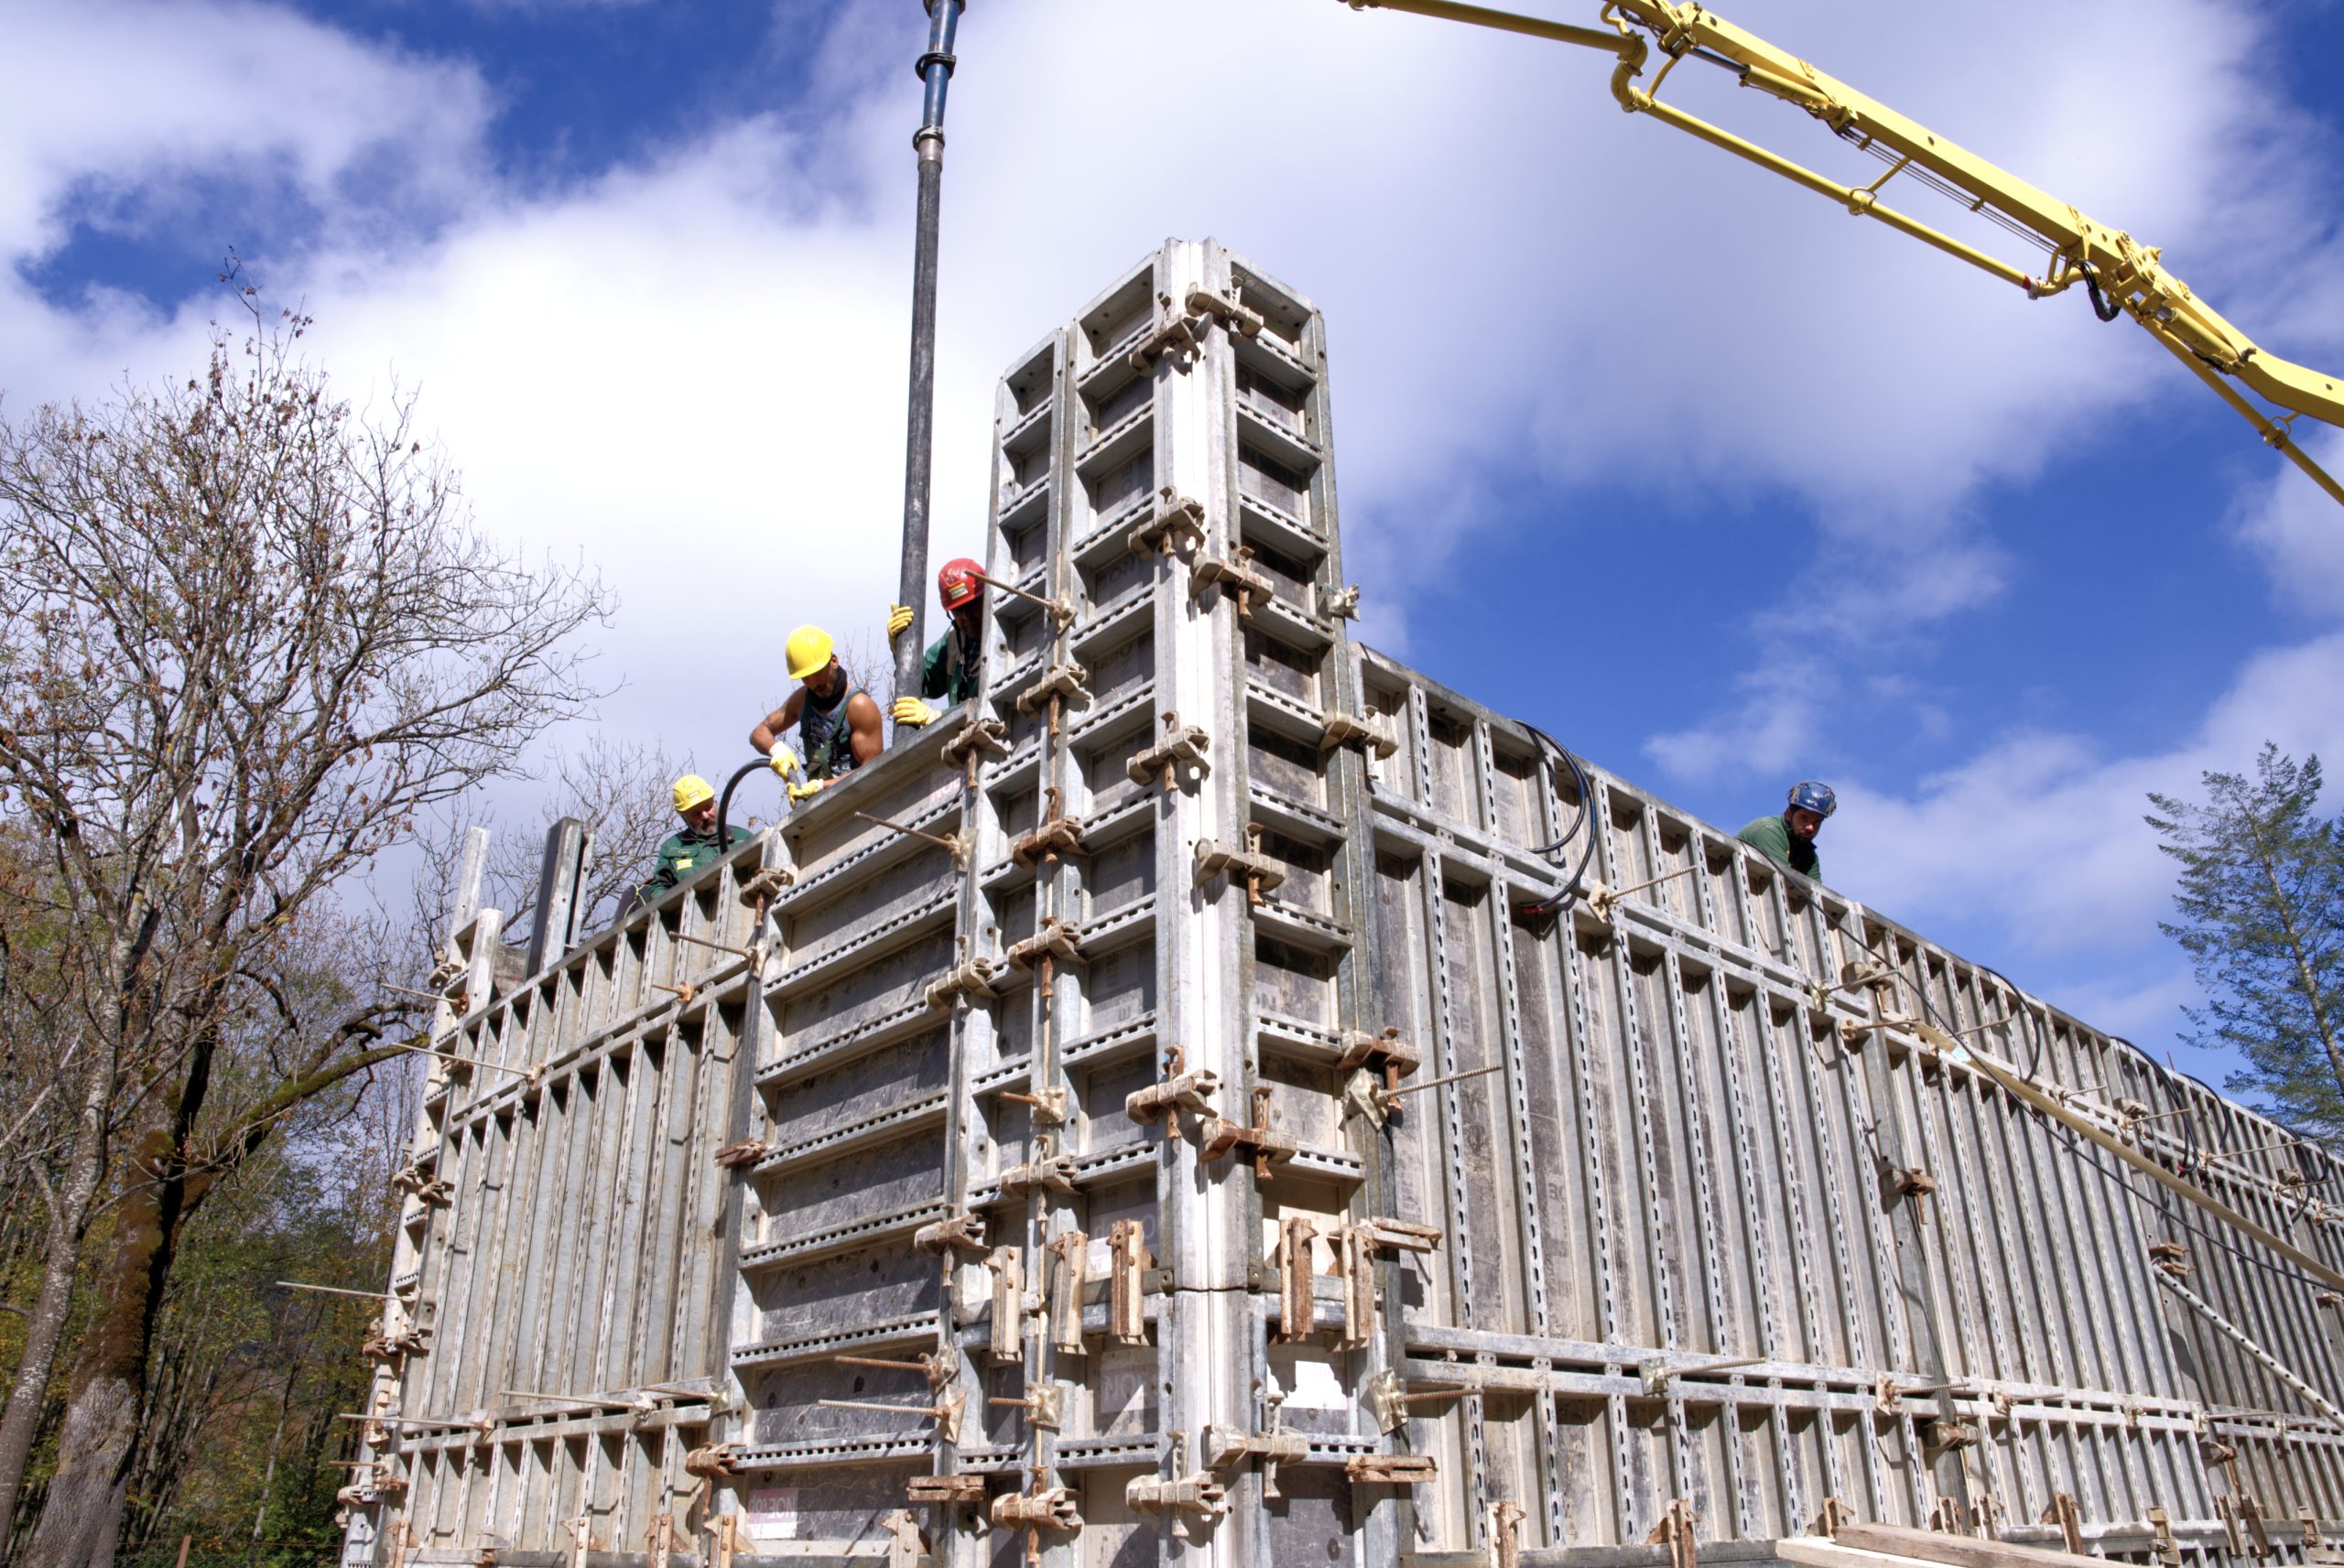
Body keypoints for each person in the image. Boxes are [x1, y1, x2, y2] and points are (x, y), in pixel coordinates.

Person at [749, 625, 884, 800]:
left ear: (833, 661)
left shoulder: (859, 707)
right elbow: (758, 733)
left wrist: (822, 786)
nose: (813, 684)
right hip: (821, 810)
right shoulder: (803, 700)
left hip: (859, 805)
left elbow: (873, 773)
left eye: (816, 673)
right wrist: (777, 750)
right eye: (805, 678)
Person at [888, 556, 984, 728]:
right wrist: (899, 648)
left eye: (971, 605)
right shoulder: (954, 640)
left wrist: (938, 717)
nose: (965, 616)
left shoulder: (1007, 635)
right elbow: (924, 682)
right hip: (965, 746)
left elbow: (995, 701)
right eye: (957, 610)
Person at [635, 773, 754, 909]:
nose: (705, 816)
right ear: (684, 817)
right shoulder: (672, 848)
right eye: (696, 814)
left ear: (716, 803)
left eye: (708, 808)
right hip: (690, 922)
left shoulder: (742, 838)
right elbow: (659, 886)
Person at [1738, 781, 1835, 881]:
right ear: (1789, 814)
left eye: (1816, 822)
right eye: (1804, 818)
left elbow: (1814, 892)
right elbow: (1784, 882)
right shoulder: (1769, 831)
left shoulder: (1808, 855)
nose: (1810, 827)